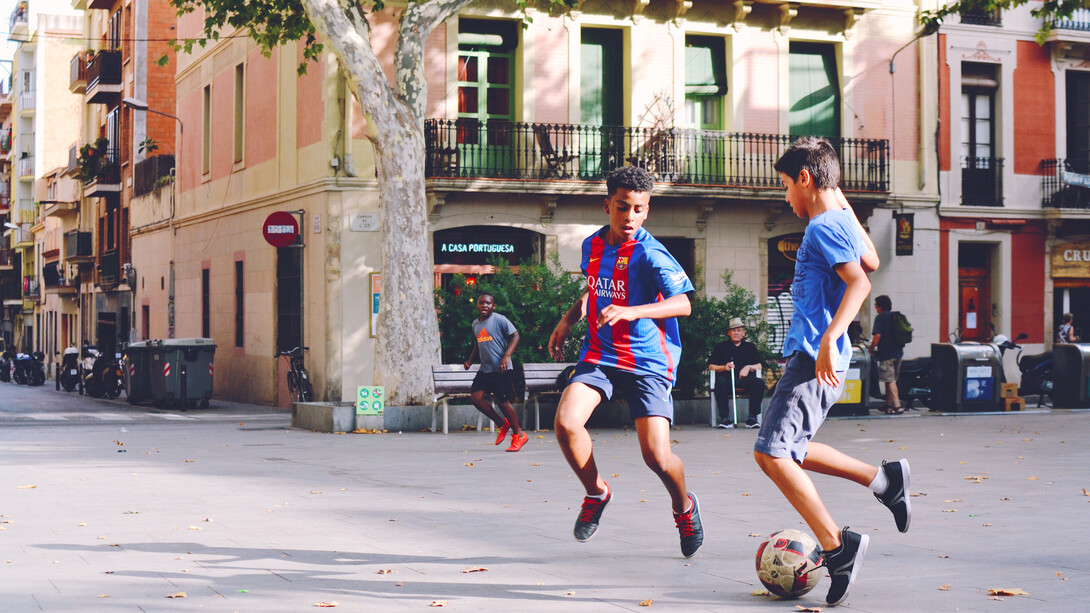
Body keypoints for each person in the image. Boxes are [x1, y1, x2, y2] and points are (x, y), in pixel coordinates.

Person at [754, 137, 911, 607]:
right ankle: (884, 480)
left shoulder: (823, 226)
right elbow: (874, 261)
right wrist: (838, 193)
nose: (785, 197)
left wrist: (828, 336)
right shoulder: (839, 218)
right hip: (817, 356)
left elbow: (860, 281)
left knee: (772, 454)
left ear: (804, 179)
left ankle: (838, 547)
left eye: (785, 186)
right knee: (791, 450)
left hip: (811, 355)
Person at [548, 166, 703, 558]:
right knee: (566, 423)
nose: (630, 216)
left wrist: (632, 311)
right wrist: (568, 321)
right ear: (608, 206)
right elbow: (594, 290)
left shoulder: (652, 254)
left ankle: (684, 507)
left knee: (657, 457)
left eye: (638, 209)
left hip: (648, 361)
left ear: (647, 210)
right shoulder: (592, 246)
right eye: (622, 207)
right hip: (600, 354)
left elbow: (683, 304)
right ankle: (596, 492)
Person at [463, 292, 528, 452]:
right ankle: (502, 424)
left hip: (502, 369)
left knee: (502, 402)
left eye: (488, 303)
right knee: (476, 398)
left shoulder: (499, 319)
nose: (485, 305)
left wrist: (506, 356)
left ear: (493, 306)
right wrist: (470, 359)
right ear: (477, 305)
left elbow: (515, 336)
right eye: (481, 302)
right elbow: (478, 344)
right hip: (485, 369)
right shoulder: (475, 324)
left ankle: (519, 435)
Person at [708, 317, 765, 428]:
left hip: (746, 380)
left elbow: (759, 365)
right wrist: (724, 367)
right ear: (729, 333)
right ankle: (725, 419)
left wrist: (748, 367)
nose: (736, 333)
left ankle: (752, 418)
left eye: (739, 330)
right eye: (734, 330)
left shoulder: (750, 347)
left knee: (759, 383)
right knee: (720, 382)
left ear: (744, 333)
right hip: (727, 380)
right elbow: (711, 366)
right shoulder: (721, 347)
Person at [869, 295, 904, 415]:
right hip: (898, 353)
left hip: (887, 354)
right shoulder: (895, 316)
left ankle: (897, 405)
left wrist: (871, 348)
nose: (875, 307)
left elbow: (877, 335)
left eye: (876, 305)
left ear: (880, 306)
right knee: (890, 379)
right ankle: (888, 404)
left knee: (889, 380)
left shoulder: (880, 318)